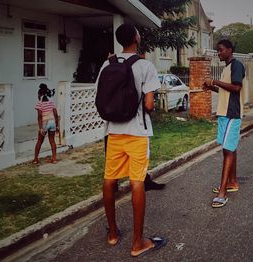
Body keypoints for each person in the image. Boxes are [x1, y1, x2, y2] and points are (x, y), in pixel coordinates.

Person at [97, 24, 167, 257]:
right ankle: (138, 243)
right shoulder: (145, 65)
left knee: (109, 179)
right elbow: (148, 105)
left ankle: (113, 233)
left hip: (113, 132)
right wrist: (151, 104)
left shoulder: (108, 64)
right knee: (137, 181)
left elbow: (100, 97)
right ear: (137, 38)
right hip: (137, 132)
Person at [202, 39, 246, 208]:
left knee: (227, 150)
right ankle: (232, 182)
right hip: (224, 113)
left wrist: (214, 81)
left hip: (232, 114)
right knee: (230, 148)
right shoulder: (227, 68)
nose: (219, 53)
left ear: (230, 50)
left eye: (221, 50)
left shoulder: (236, 65)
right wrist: (211, 87)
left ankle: (222, 192)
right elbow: (225, 90)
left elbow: (236, 88)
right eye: (217, 50)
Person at [33, 83, 59, 164]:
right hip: (52, 122)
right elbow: (55, 114)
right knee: (52, 141)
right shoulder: (51, 102)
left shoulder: (39, 104)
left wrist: (41, 127)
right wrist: (57, 124)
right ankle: (54, 159)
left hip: (45, 123)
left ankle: (35, 159)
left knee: (40, 141)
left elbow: (40, 116)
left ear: (40, 95)